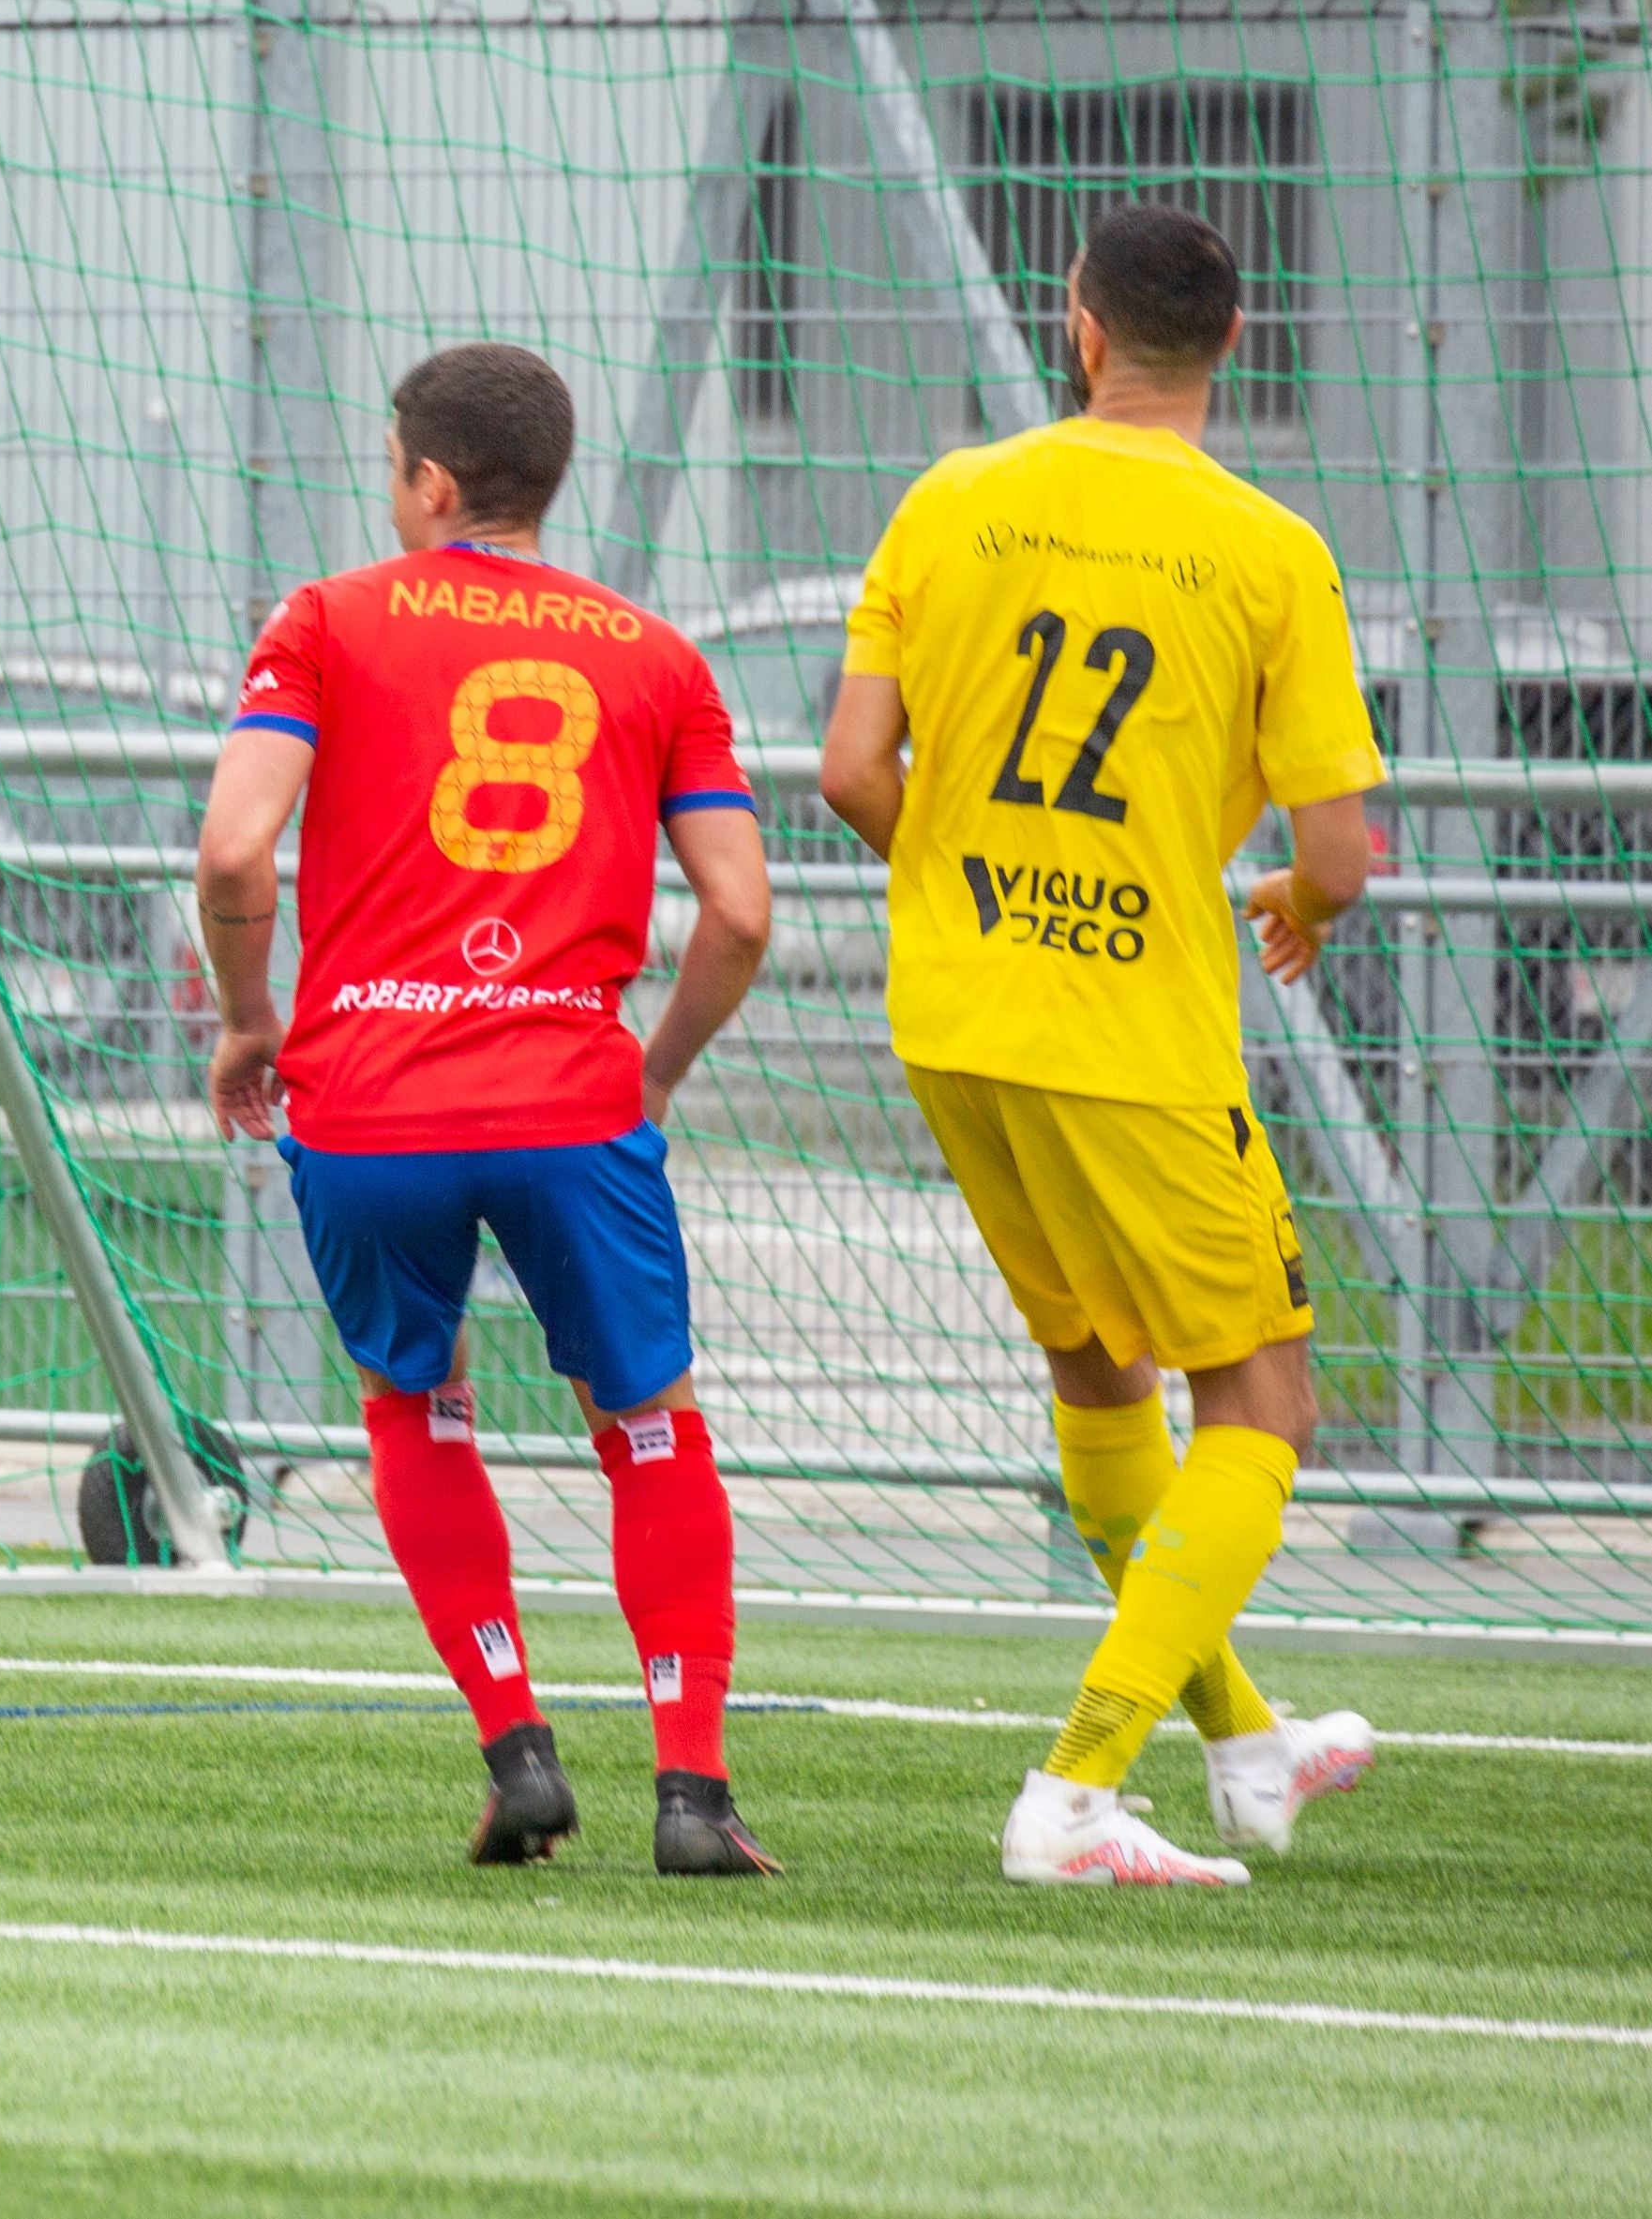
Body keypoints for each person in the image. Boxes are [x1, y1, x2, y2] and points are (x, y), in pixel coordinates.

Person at [818, 206, 1385, 1888]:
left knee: (1093, 1371)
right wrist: (1284, 888)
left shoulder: (946, 496)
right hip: (1129, 1028)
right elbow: (1339, 857)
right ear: (1233, 339)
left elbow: (851, 769)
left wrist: (966, 882)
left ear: (1073, 328)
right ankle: (1073, 1783)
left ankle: (1240, 1742)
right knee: (1261, 1396)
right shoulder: (1269, 547)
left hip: (950, 1013)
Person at [195, 345, 782, 1876]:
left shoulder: (323, 618)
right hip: (566, 1099)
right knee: (646, 1426)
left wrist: (249, 1018)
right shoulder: (653, 655)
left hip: (365, 1099)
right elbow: (735, 910)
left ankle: (515, 1745)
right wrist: (649, 1067)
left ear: (428, 484)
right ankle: (691, 1790)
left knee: (418, 1402)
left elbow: (231, 856)